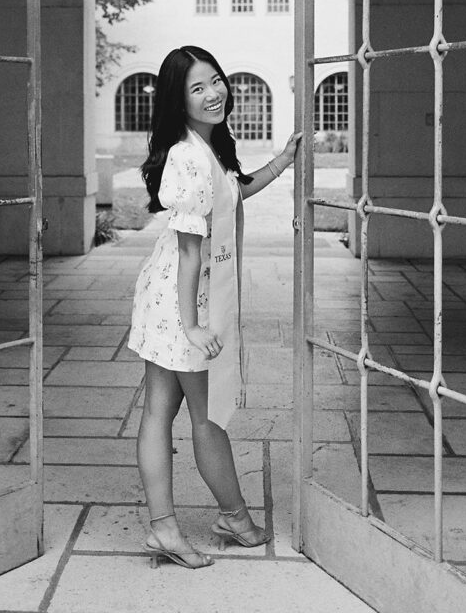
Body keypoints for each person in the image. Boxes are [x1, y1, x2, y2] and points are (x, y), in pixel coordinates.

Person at [128, 45, 301, 570]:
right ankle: (232, 518)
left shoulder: (207, 147)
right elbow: (187, 248)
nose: (212, 93)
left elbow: (234, 193)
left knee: (164, 408)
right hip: (181, 299)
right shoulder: (184, 155)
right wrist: (193, 324)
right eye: (197, 88)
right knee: (206, 414)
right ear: (179, 101)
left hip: (176, 293)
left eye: (216, 81)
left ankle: (178, 526)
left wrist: (284, 160)